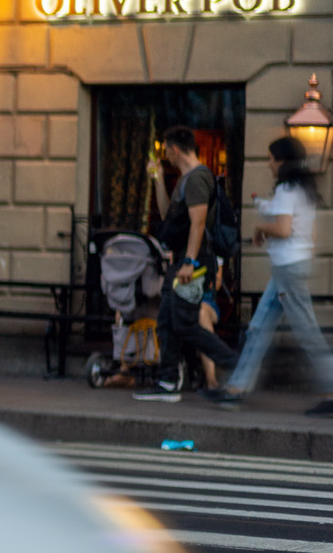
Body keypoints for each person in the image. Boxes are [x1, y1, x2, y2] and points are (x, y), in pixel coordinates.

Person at [210, 136, 333, 414]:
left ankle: (331, 389)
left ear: (282, 160)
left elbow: (284, 229)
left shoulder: (286, 190)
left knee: (307, 333)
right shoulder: (303, 191)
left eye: (271, 158)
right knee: (258, 328)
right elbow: (307, 233)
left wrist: (261, 229)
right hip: (289, 267)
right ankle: (237, 388)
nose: (268, 164)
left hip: (287, 269)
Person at [136, 126, 239, 400]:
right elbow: (167, 214)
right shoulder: (185, 179)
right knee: (168, 321)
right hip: (182, 261)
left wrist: (190, 263)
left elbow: (198, 223)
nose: (165, 156)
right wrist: (157, 179)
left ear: (175, 149)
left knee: (183, 322)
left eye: (165, 151)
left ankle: (236, 366)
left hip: (194, 262)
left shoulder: (197, 178)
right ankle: (167, 382)